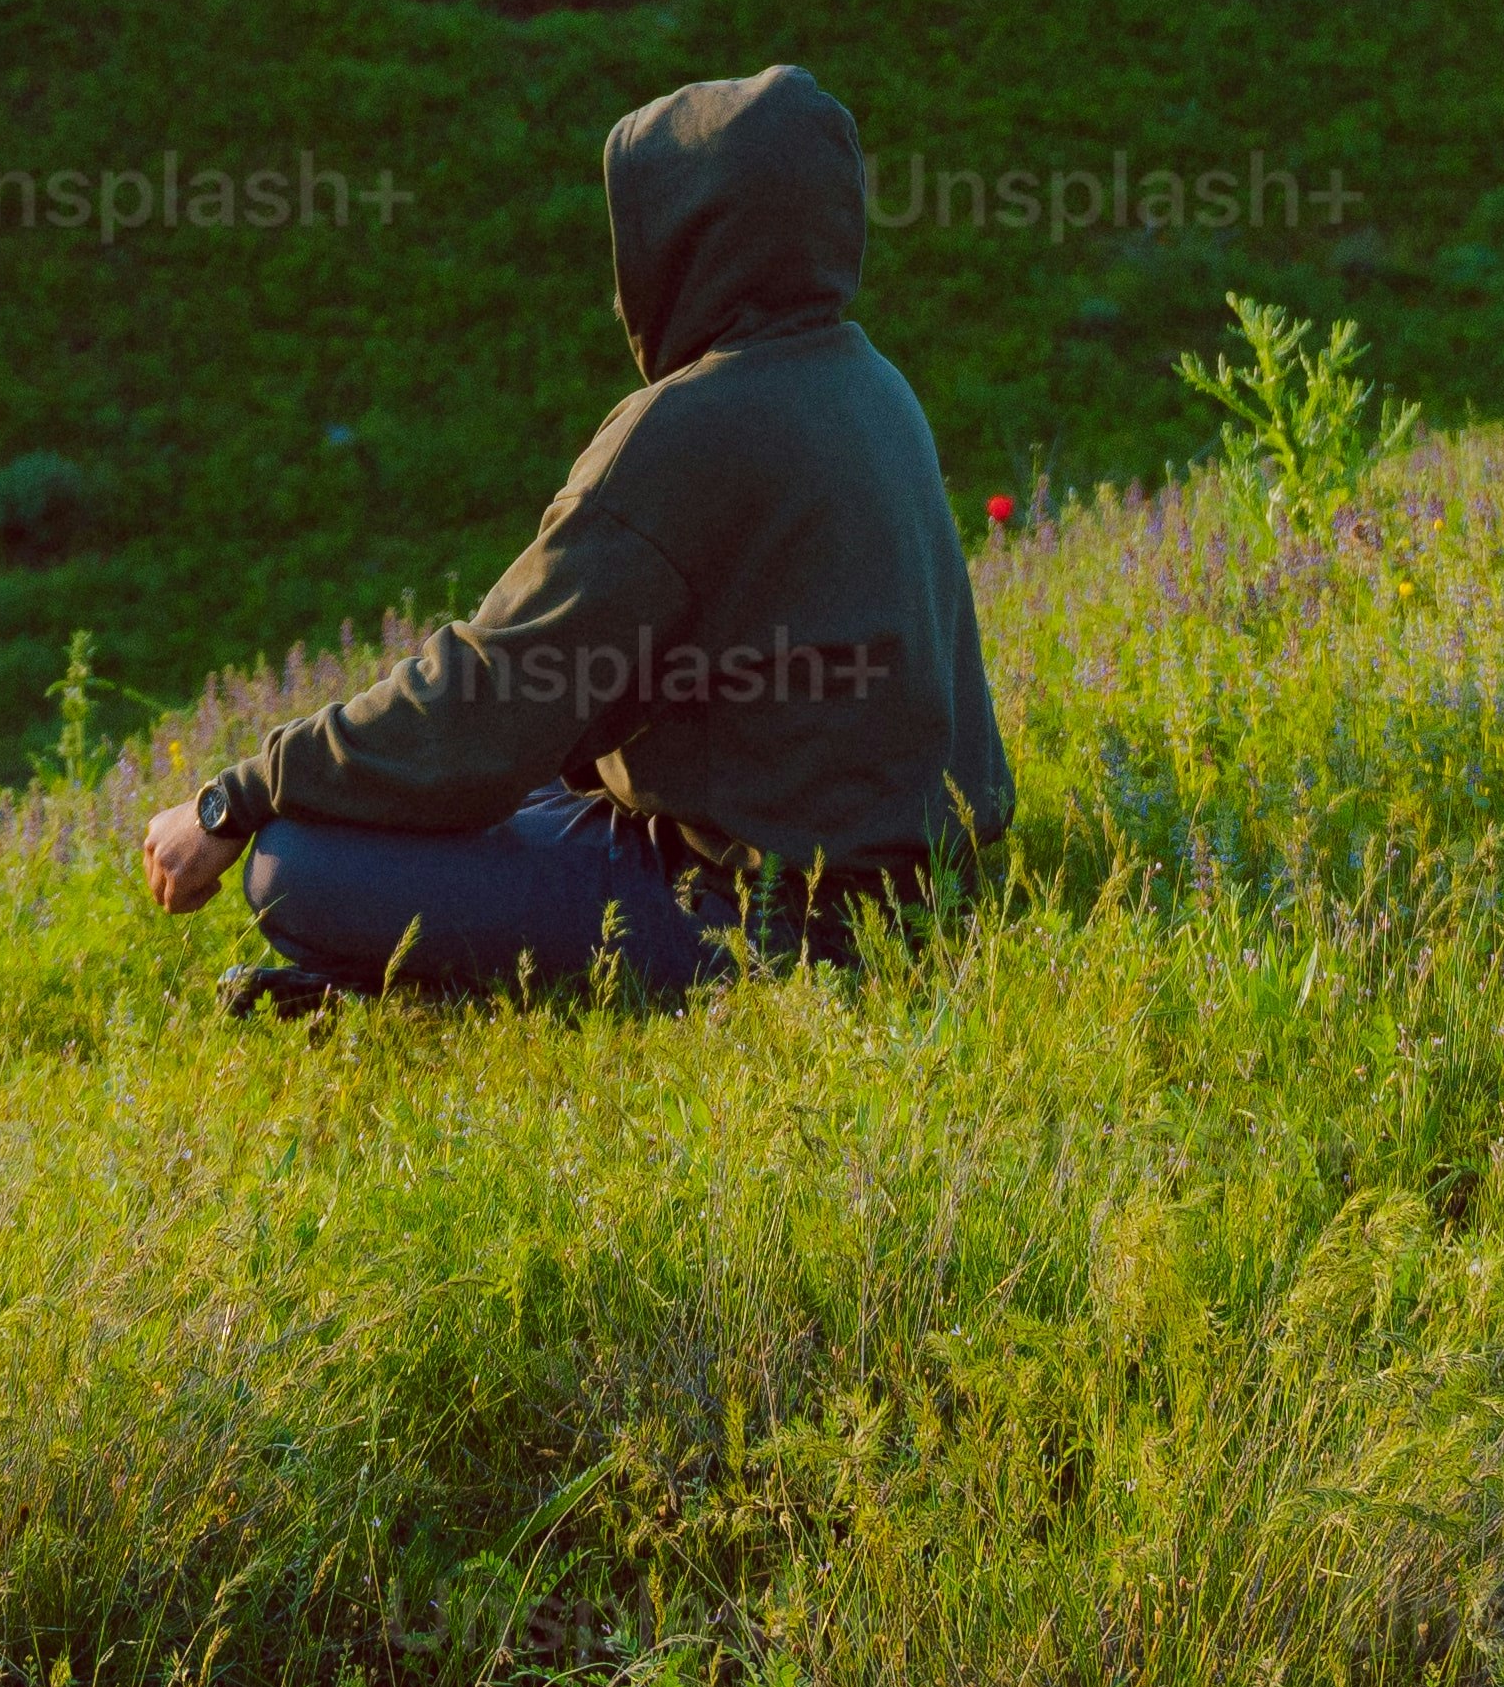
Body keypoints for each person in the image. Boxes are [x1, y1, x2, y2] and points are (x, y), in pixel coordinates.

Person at [134, 64, 1012, 1014]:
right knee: (493, 795)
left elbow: (486, 697)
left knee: (296, 863)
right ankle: (396, 986)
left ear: (683, 242)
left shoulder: (683, 430)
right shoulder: (869, 380)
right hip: (916, 893)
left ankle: (435, 990)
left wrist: (238, 798)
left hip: (765, 922)